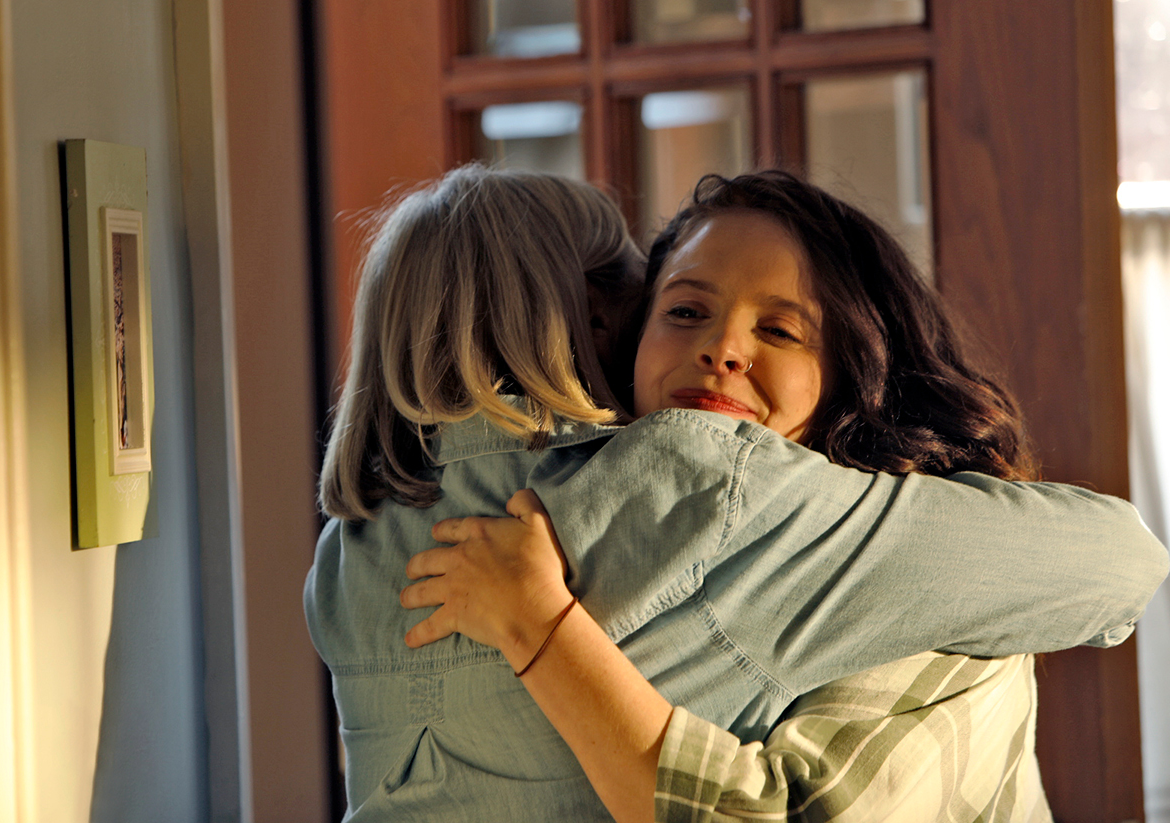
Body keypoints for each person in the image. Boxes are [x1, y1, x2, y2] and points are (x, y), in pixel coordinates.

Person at [304, 165, 1166, 822]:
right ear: (607, 317)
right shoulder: (699, 480)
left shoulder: (343, 566)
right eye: (679, 308)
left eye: (781, 327)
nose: (721, 350)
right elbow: (1124, 559)